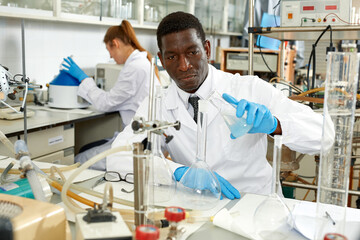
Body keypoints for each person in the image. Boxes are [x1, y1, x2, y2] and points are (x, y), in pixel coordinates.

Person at [107, 12, 330, 200]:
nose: (184, 66)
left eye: (192, 52)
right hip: (197, 205)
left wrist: (275, 125)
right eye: (172, 57)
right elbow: (116, 158)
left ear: (207, 49)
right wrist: (178, 173)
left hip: (255, 205)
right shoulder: (157, 104)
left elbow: (325, 136)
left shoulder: (249, 88)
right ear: (162, 60)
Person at [62, 20, 159, 169]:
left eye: (109, 50)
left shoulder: (135, 67)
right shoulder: (140, 63)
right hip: (141, 136)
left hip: (139, 141)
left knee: (79, 159)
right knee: (85, 150)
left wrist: (83, 78)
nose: (111, 57)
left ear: (116, 43)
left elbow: (105, 103)